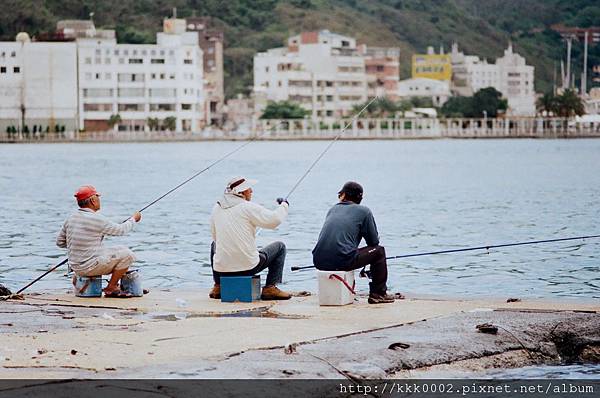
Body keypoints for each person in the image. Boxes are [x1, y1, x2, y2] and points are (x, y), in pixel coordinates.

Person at [209, 176, 291, 300]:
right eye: (248, 189)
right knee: (280, 247)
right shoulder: (248, 207)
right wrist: (284, 205)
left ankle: (218, 285)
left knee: (214, 245)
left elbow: (215, 237)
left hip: (222, 270)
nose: (251, 191)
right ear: (240, 192)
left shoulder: (216, 208)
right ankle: (270, 288)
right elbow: (275, 220)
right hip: (248, 268)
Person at [312, 181, 395, 304]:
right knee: (379, 251)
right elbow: (374, 242)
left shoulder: (333, 209)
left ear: (343, 195)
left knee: (351, 253)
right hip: (342, 260)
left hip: (318, 260)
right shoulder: (364, 211)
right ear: (360, 198)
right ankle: (378, 293)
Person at [56, 185, 141, 298]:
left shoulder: (71, 218)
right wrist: (134, 219)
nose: (99, 200)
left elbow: (60, 242)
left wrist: (80, 246)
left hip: (76, 267)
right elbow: (121, 230)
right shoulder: (97, 219)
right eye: (97, 197)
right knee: (128, 255)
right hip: (89, 267)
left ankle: (113, 285)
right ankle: (111, 287)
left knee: (120, 249)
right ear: (92, 200)